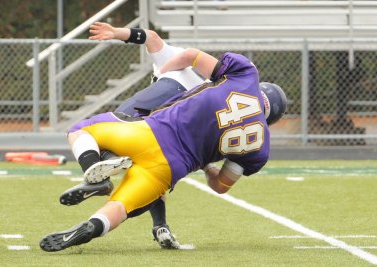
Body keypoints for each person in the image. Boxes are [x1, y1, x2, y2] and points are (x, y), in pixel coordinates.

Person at [40, 42, 287, 252]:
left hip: (151, 133)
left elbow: (192, 56)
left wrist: (161, 76)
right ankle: (94, 226)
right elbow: (220, 185)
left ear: (262, 87)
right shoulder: (260, 147)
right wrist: (207, 163)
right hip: (170, 168)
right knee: (121, 205)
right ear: (271, 119)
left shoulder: (244, 73)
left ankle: (94, 172)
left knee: (80, 130)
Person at [58, 22, 206, 249]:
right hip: (176, 132)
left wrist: (117, 33)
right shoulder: (214, 90)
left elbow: (152, 37)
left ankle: (100, 175)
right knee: (154, 177)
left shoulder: (178, 59)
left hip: (160, 100)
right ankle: (161, 226)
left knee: (88, 132)